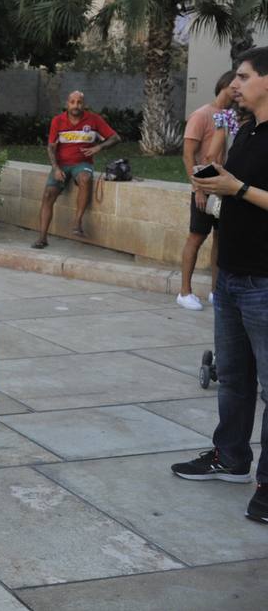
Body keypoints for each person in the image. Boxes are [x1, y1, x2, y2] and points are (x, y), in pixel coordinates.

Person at [176, 46, 268, 525]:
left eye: (244, 76)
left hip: (265, 281)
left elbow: (249, 194)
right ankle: (230, 457)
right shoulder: (248, 129)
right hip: (232, 277)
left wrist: (237, 190)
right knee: (232, 376)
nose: (236, 84)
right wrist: (217, 182)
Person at [177, 71, 237, 310]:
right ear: (225, 85)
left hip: (223, 188)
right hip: (204, 187)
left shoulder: (230, 116)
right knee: (197, 237)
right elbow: (188, 155)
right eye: (236, 84)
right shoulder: (201, 115)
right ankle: (184, 291)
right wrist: (198, 188)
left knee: (220, 240)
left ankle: (216, 290)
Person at [32, 91, 119, 248]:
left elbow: (115, 138)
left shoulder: (94, 120)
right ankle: (42, 238)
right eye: (72, 102)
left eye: (79, 102)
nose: (76, 105)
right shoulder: (58, 121)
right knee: (47, 194)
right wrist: (56, 169)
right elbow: (51, 148)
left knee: (85, 178)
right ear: (67, 104)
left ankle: (77, 222)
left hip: (82, 163)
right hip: (61, 164)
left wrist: (99, 147)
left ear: (83, 104)